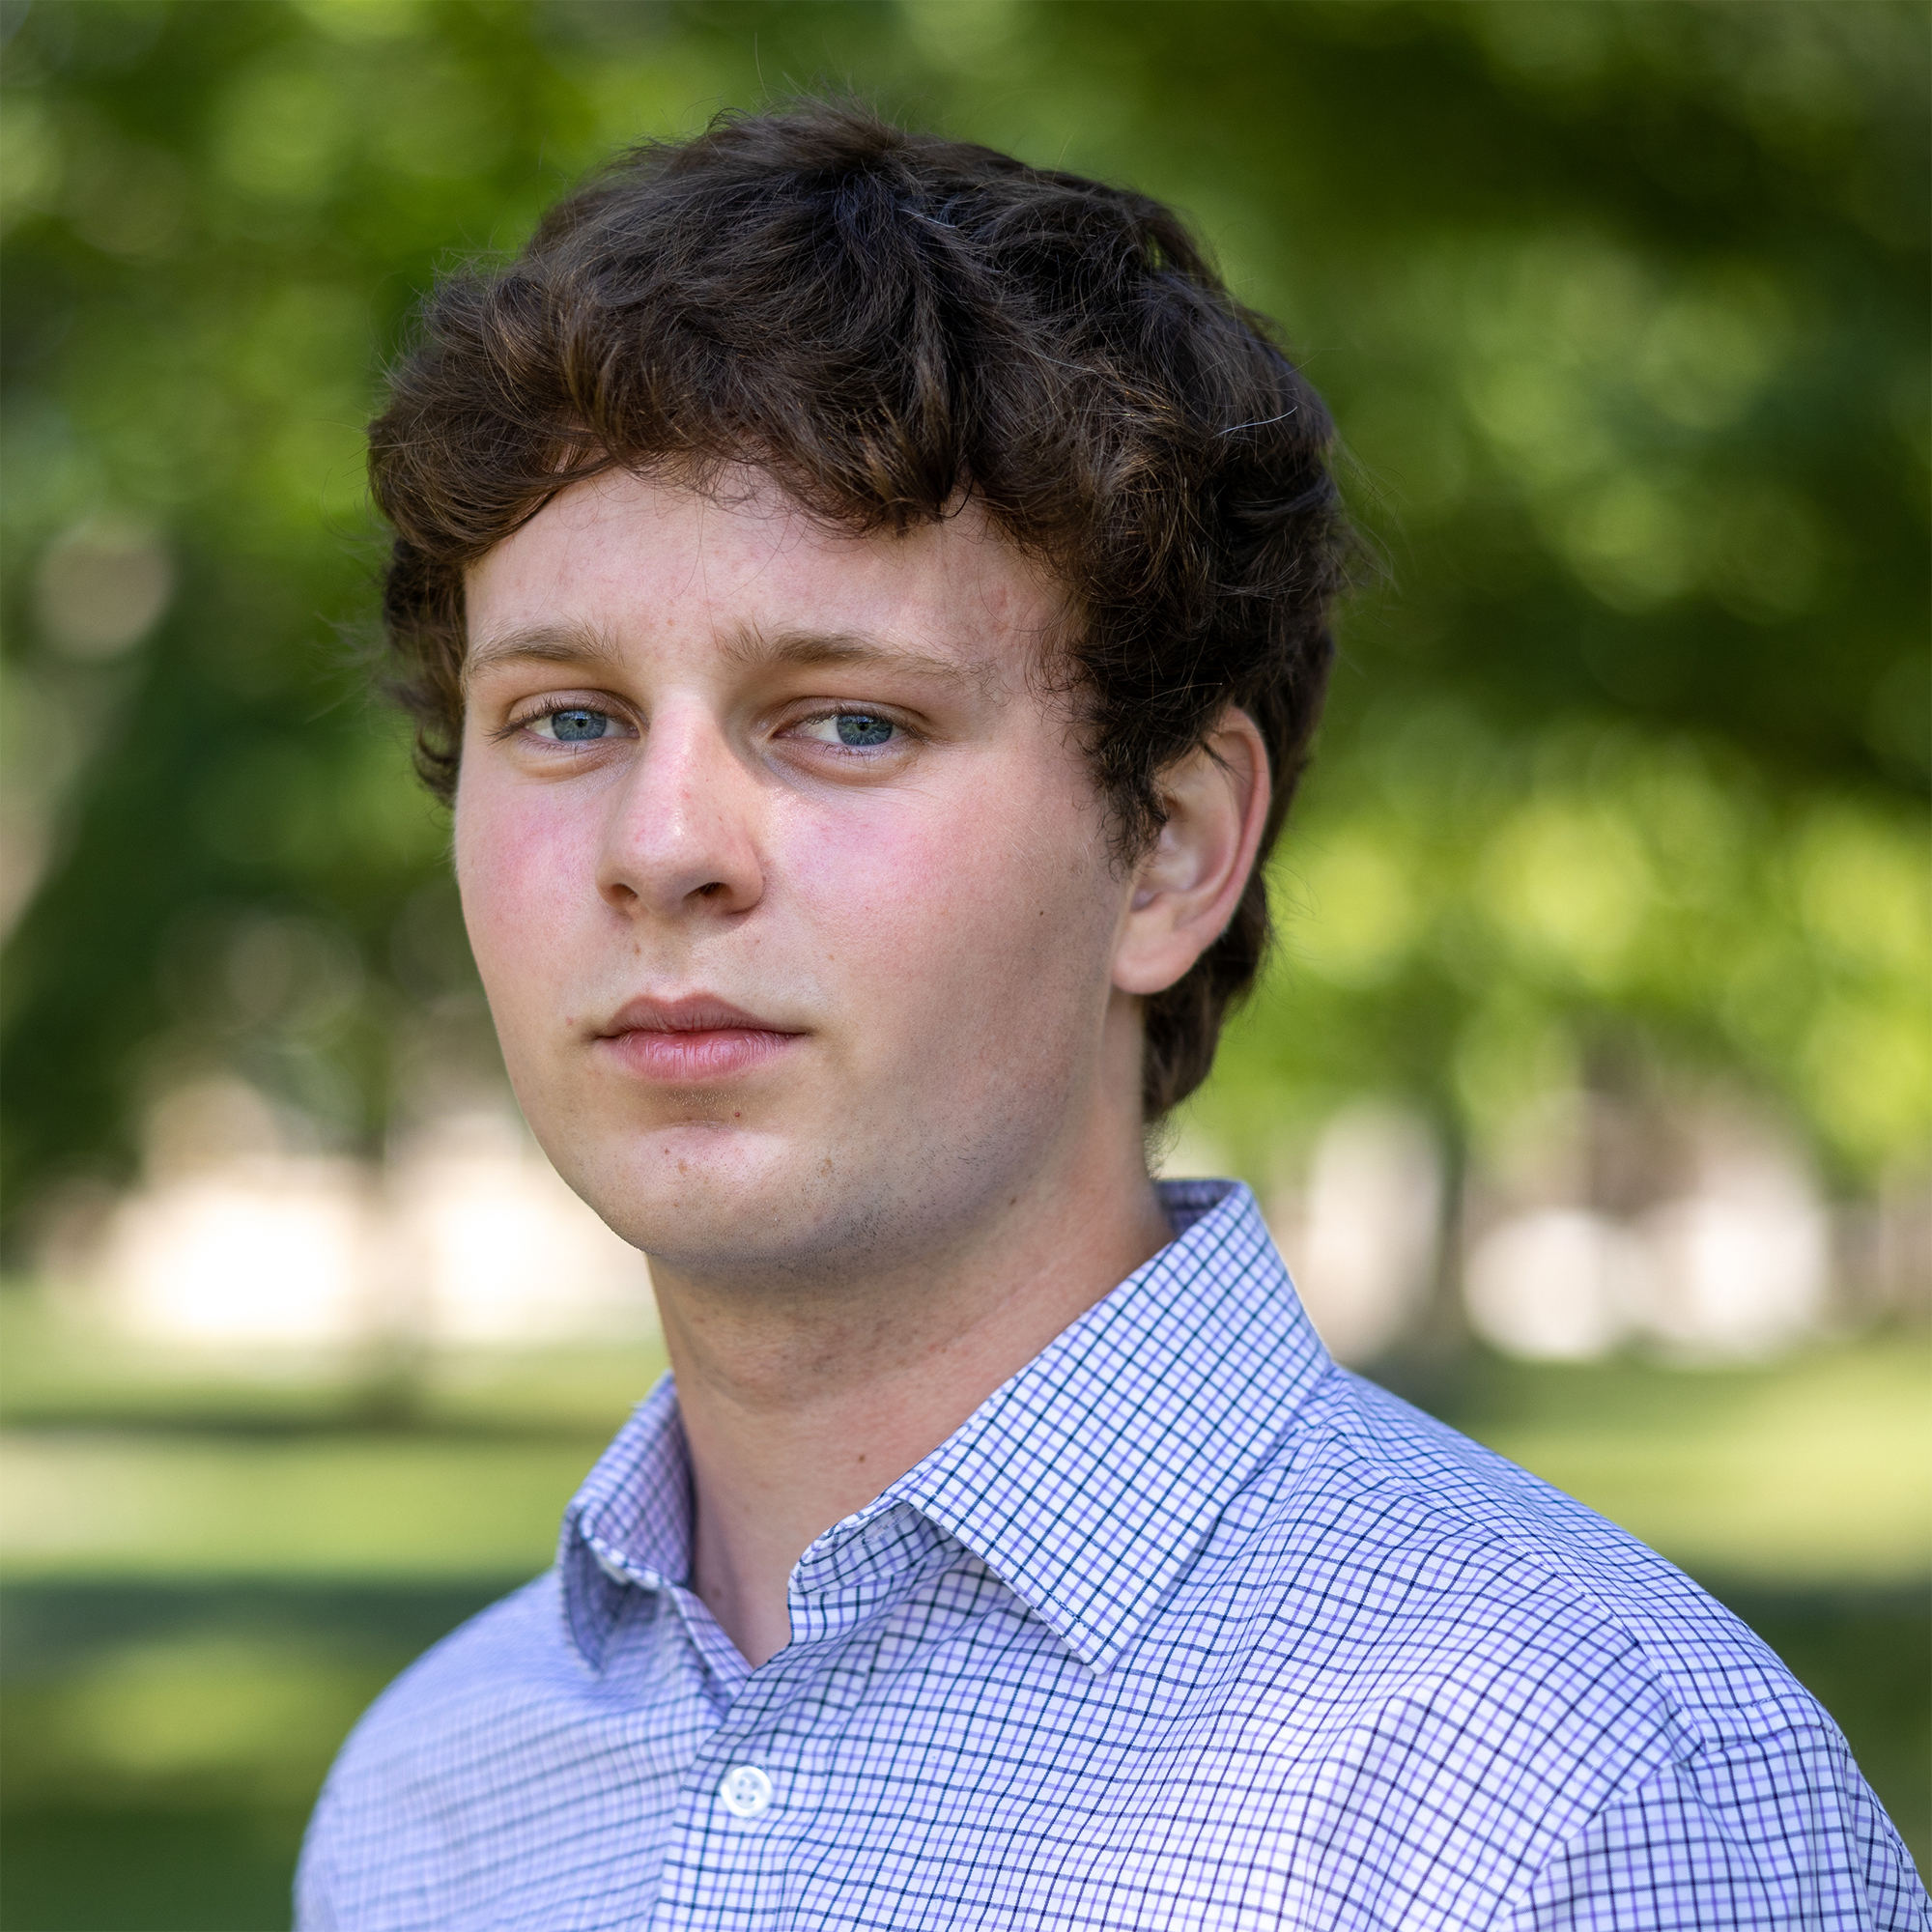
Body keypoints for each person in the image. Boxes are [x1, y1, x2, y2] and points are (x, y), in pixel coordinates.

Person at [298, 101, 1925, 1930]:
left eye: (848, 720)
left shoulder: (1572, 1795)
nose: (662, 846)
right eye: (568, 718)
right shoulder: (428, 1796)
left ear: (1169, 847)